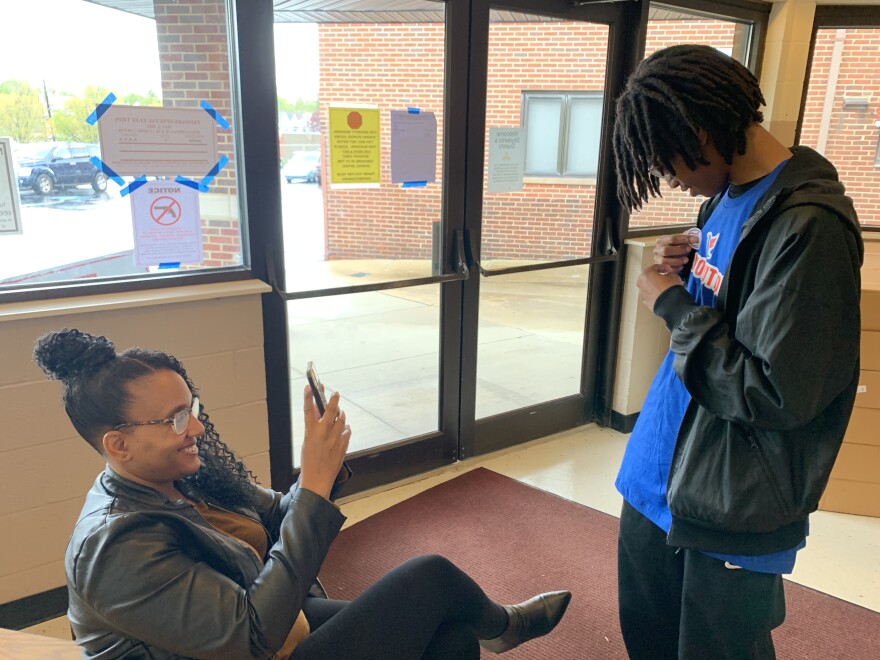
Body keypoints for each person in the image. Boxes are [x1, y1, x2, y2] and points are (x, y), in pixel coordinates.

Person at [34, 328, 571, 659]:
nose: (195, 428)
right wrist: (313, 486)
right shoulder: (115, 546)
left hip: (280, 627)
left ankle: (497, 630)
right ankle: (505, 629)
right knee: (429, 578)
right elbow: (250, 635)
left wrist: (322, 470)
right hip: (257, 643)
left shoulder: (185, 478)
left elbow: (278, 516)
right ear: (118, 445)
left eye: (191, 409)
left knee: (451, 636)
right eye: (175, 419)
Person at [611, 44, 862, 659]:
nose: (672, 181)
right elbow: (728, 310)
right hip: (658, 472)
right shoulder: (721, 199)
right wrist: (687, 271)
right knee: (648, 637)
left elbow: (772, 389)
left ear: (703, 133)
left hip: (734, 500)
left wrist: (671, 305)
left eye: (673, 166)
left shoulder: (812, 228)